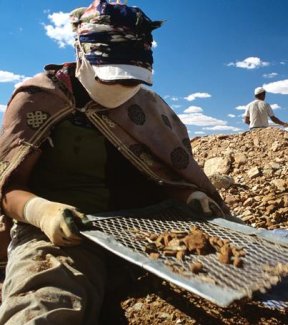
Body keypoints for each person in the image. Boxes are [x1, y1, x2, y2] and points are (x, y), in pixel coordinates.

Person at [0, 0, 229, 323]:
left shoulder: (149, 108)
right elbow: (9, 189)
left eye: (132, 78)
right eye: (112, 76)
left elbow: (166, 173)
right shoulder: (38, 100)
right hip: (69, 233)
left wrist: (189, 196)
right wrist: (41, 211)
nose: (122, 87)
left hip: (151, 228)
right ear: (81, 53)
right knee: (43, 304)